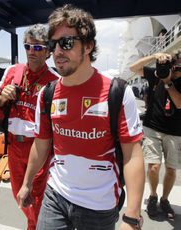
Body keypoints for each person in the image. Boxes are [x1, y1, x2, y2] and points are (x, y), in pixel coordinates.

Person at [17, 5, 145, 230]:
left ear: (88, 46)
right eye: (52, 44)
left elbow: (132, 155)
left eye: (66, 43)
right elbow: (41, 144)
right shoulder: (46, 94)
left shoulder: (118, 92)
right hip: (55, 196)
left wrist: (132, 216)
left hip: (100, 205)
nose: (57, 51)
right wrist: (27, 183)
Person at [0, 24, 59, 230]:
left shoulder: (55, 81)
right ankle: (34, 223)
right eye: (28, 46)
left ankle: (35, 225)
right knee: (17, 193)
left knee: (35, 197)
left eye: (38, 48)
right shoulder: (13, 71)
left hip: (38, 148)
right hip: (13, 146)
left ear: (48, 52)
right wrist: (3, 96)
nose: (31, 52)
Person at [129, 50, 181, 219]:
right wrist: (154, 57)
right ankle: (153, 196)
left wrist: (168, 83)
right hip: (152, 127)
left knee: (171, 170)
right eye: (175, 67)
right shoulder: (156, 73)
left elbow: (179, 104)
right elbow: (133, 67)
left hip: (175, 131)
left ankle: (164, 200)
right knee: (154, 166)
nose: (177, 71)